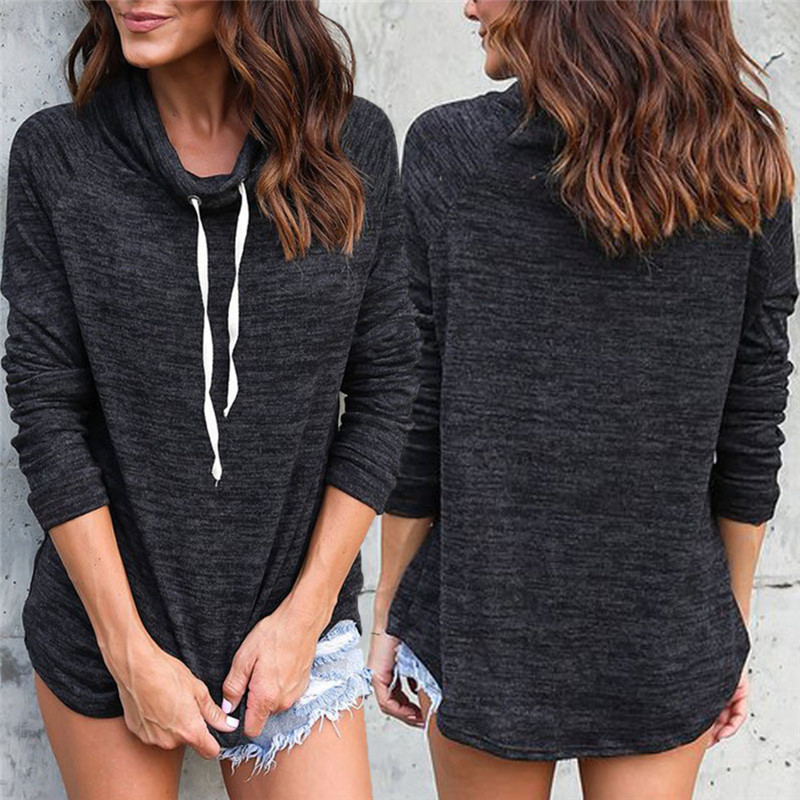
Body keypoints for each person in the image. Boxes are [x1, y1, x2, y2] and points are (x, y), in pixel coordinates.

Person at [368, 1, 797, 799]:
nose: (469, 5)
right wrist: (729, 622)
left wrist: (393, 605)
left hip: (489, 617)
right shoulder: (741, 163)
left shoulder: (451, 153)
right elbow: (751, 422)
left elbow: (417, 407)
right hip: (661, 625)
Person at [1, 1, 419, 798]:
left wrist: (305, 618)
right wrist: (128, 650)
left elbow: (385, 386)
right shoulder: (59, 157)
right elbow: (47, 412)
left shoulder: (351, 145)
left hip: (297, 621)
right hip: (112, 630)